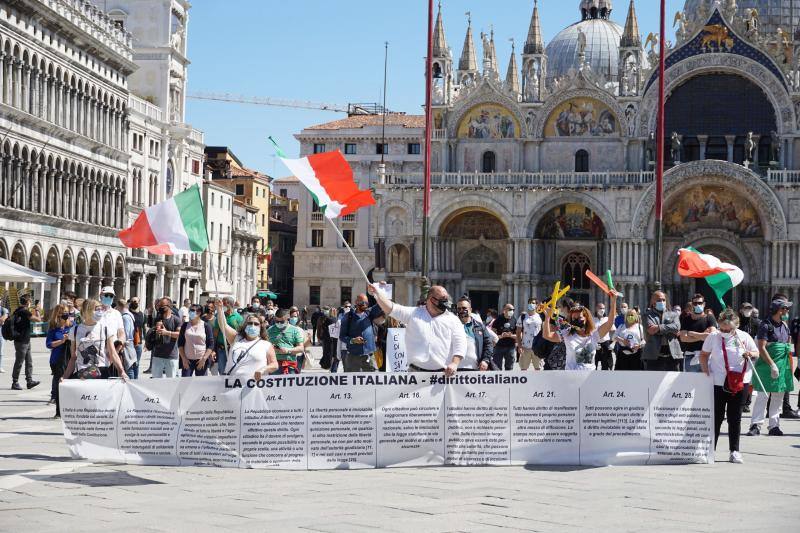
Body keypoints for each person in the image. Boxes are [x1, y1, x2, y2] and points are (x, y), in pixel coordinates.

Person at [700, 308, 758, 464]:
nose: (724, 331)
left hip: (740, 382)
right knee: (717, 417)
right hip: (718, 382)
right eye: (722, 327)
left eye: (728, 328)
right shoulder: (713, 336)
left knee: (735, 418)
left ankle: (734, 451)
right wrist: (706, 373)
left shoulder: (744, 337)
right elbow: (704, 355)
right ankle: (710, 450)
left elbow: (756, 352)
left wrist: (750, 354)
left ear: (736, 326)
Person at [369, 283, 466, 376]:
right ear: (430, 299)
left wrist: (454, 363)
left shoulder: (453, 320)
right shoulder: (414, 313)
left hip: (442, 374)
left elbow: (460, 343)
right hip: (415, 374)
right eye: (441, 300)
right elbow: (391, 308)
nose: (445, 303)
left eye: (446, 299)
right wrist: (377, 293)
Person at [747, 298, 796, 436]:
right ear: (778, 310)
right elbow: (761, 348)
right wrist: (772, 365)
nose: (787, 311)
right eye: (785, 308)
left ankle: (774, 425)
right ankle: (755, 425)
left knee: (778, 397)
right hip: (766, 366)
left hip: (782, 367)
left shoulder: (785, 326)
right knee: (763, 395)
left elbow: (787, 345)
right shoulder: (765, 325)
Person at [541, 294, 617, 370]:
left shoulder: (594, 334)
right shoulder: (567, 333)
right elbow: (547, 335)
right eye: (574, 318)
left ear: (586, 318)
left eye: (580, 317)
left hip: (589, 377)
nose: (577, 320)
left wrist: (613, 302)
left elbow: (609, 323)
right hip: (571, 376)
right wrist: (547, 317)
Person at [63, 299, 126, 380]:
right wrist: (64, 376)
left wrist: (122, 371)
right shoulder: (74, 330)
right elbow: (73, 357)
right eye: (97, 309)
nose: (100, 312)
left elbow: (113, 353)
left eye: (101, 309)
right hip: (82, 375)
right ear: (87, 311)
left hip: (102, 373)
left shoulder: (105, 329)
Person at [216, 303, 278, 379]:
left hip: (253, 387)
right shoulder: (236, 338)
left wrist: (263, 369)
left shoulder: (266, 345)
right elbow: (224, 325)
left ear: (260, 327)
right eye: (250, 323)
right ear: (245, 325)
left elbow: (274, 365)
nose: (252, 326)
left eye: (256, 324)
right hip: (231, 385)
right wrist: (219, 309)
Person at [339, 294, 384, 372]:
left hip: (369, 355)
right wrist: (353, 340)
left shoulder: (369, 313)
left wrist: (381, 290)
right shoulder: (347, 317)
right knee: (352, 381)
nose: (365, 304)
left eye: (366, 303)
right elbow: (342, 336)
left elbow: (381, 304)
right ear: (356, 302)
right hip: (353, 356)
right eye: (362, 302)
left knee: (371, 381)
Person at [642, 291, 683, 371]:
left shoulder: (674, 314)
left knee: (673, 381)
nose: (662, 302)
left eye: (664, 300)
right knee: (653, 381)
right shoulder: (647, 315)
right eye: (659, 300)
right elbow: (651, 330)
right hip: (653, 356)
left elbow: (677, 327)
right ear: (653, 302)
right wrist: (669, 328)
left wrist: (658, 328)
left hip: (673, 355)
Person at [679, 294, 718, 372]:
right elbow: (683, 338)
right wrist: (703, 335)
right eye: (695, 303)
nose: (697, 305)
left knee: (707, 382)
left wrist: (692, 333)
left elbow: (712, 337)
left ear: (704, 304)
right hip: (690, 356)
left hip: (707, 356)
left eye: (700, 303)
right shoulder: (686, 319)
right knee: (690, 383)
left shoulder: (709, 318)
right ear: (692, 305)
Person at [46, 304, 73, 418]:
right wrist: (62, 341)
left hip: (70, 358)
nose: (66, 315)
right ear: (58, 315)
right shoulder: (53, 329)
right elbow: (48, 344)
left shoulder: (71, 326)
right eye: (63, 313)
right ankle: (59, 411)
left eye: (67, 312)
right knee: (59, 384)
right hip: (57, 360)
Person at [456, 297, 494, 371]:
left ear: (470, 310)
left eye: (464, 308)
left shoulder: (480, 326)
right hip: (455, 369)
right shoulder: (451, 325)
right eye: (459, 309)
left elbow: (488, 344)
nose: (461, 311)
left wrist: (485, 360)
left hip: (475, 369)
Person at [10, 295, 39, 390]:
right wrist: (37, 310)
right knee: (19, 361)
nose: (30, 302)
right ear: (27, 302)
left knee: (29, 361)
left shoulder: (18, 310)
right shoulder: (24, 311)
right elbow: (38, 319)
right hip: (21, 341)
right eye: (30, 301)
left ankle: (29, 381)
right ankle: (15, 382)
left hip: (25, 340)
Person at [148, 297, 182, 378]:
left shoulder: (176, 320)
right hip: (157, 355)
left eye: (162, 306)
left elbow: (179, 334)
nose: (160, 308)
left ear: (169, 306)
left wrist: (167, 333)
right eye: (159, 306)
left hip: (171, 356)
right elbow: (150, 331)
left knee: (171, 382)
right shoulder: (158, 319)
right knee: (156, 381)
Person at [178, 304, 215, 376]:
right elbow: (180, 343)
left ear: (199, 313)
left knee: (200, 385)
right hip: (187, 360)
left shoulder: (206, 326)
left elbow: (211, 344)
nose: (190, 312)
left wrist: (204, 359)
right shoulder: (185, 326)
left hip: (201, 360)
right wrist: (183, 359)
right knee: (184, 383)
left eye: (192, 310)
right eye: (190, 310)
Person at [266, 309, 306, 374]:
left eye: (281, 322)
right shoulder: (270, 330)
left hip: (290, 366)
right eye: (276, 321)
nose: (279, 323)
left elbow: (301, 348)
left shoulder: (295, 330)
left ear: (288, 319)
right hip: (274, 365)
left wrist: (288, 350)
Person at [212, 297, 244, 375]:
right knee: (222, 370)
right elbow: (215, 334)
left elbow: (241, 333)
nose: (222, 305)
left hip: (234, 349)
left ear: (230, 304)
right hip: (222, 349)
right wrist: (213, 349)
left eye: (224, 303)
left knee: (234, 370)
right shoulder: (219, 316)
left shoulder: (238, 318)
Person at [739, 302, 761, 413]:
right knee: (740, 378)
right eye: (745, 309)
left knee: (750, 380)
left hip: (752, 353)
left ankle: (747, 403)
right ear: (741, 310)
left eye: (749, 309)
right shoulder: (737, 322)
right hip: (739, 353)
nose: (747, 311)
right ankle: (739, 400)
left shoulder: (756, 323)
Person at [518, 298, 543, 371]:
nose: (531, 304)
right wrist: (519, 346)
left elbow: (543, 331)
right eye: (529, 303)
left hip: (537, 347)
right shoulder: (522, 317)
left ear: (536, 305)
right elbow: (518, 332)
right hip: (525, 347)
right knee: (523, 369)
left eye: (533, 303)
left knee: (538, 369)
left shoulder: (540, 316)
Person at [492, 303, 518, 371]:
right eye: (510, 309)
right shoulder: (498, 319)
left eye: (513, 309)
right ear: (504, 310)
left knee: (509, 368)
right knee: (497, 368)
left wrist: (511, 335)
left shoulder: (515, 320)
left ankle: (508, 381)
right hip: (498, 347)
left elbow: (518, 335)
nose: (512, 311)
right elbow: (492, 334)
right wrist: (500, 336)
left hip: (510, 347)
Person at [128, 297, 146, 379]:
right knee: (130, 364)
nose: (134, 302)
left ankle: (136, 380)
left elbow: (144, 328)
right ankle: (131, 381)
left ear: (139, 302)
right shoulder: (127, 313)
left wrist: (146, 341)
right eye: (132, 301)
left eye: (136, 301)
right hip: (129, 343)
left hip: (138, 343)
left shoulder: (142, 314)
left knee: (137, 363)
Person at [594, 302, 613, 370]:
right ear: (596, 309)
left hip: (605, 343)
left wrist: (612, 343)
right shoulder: (593, 319)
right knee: (594, 364)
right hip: (595, 343)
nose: (602, 310)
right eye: (600, 308)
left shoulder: (607, 319)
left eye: (603, 308)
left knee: (605, 364)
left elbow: (613, 331)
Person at [0, 303, 7, 373]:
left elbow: (2, 321)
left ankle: (0, 366)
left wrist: (2, 318)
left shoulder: (3, 310)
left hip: (1, 334)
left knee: (1, 352)